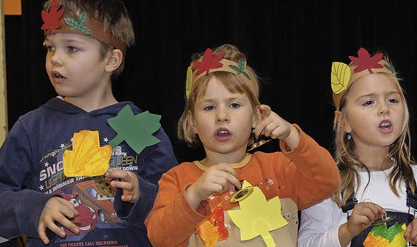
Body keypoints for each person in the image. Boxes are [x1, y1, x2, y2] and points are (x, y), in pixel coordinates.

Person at [0, 0, 178, 246]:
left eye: (71, 48)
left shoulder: (143, 126)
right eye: (50, 48)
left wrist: (141, 194)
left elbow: (174, 205)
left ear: (111, 60)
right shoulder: (32, 128)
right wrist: (35, 208)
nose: (56, 59)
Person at [144, 44, 341, 247]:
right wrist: (194, 195)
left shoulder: (279, 169)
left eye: (234, 105)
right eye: (209, 107)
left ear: (256, 116)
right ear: (192, 121)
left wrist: (292, 135)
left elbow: (328, 181)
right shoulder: (177, 180)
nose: (222, 116)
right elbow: (159, 238)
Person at [298, 47, 417, 247]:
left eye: (393, 100)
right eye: (369, 102)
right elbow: (306, 243)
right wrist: (347, 231)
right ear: (343, 121)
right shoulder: (326, 181)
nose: (384, 108)